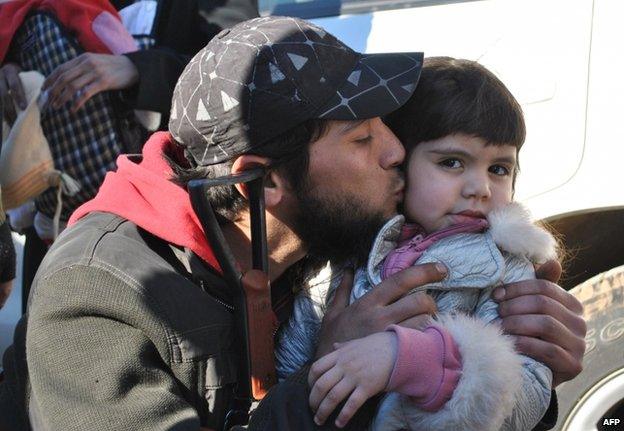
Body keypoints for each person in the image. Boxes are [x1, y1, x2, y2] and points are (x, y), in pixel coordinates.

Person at [0, 17, 585, 431]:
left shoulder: (332, 241)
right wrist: (322, 377)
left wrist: (519, 362)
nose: (394, 152)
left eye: (386, 126)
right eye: (361, 137)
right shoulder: (97, 297)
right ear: (264, 180)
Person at [276, 57, 568, 430]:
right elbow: (289, 369)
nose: (479, 188)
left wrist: (413, 360)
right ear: (400, 164)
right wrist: (317, 373)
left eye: (499, 169)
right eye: (451, 162)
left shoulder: (506, 269)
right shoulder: (347, 254)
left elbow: (525, 398)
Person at [0, 0, 259, 309]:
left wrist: (138, 68)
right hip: (58, 228)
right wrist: (11, 64)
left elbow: (243, 68)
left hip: (173, 231)